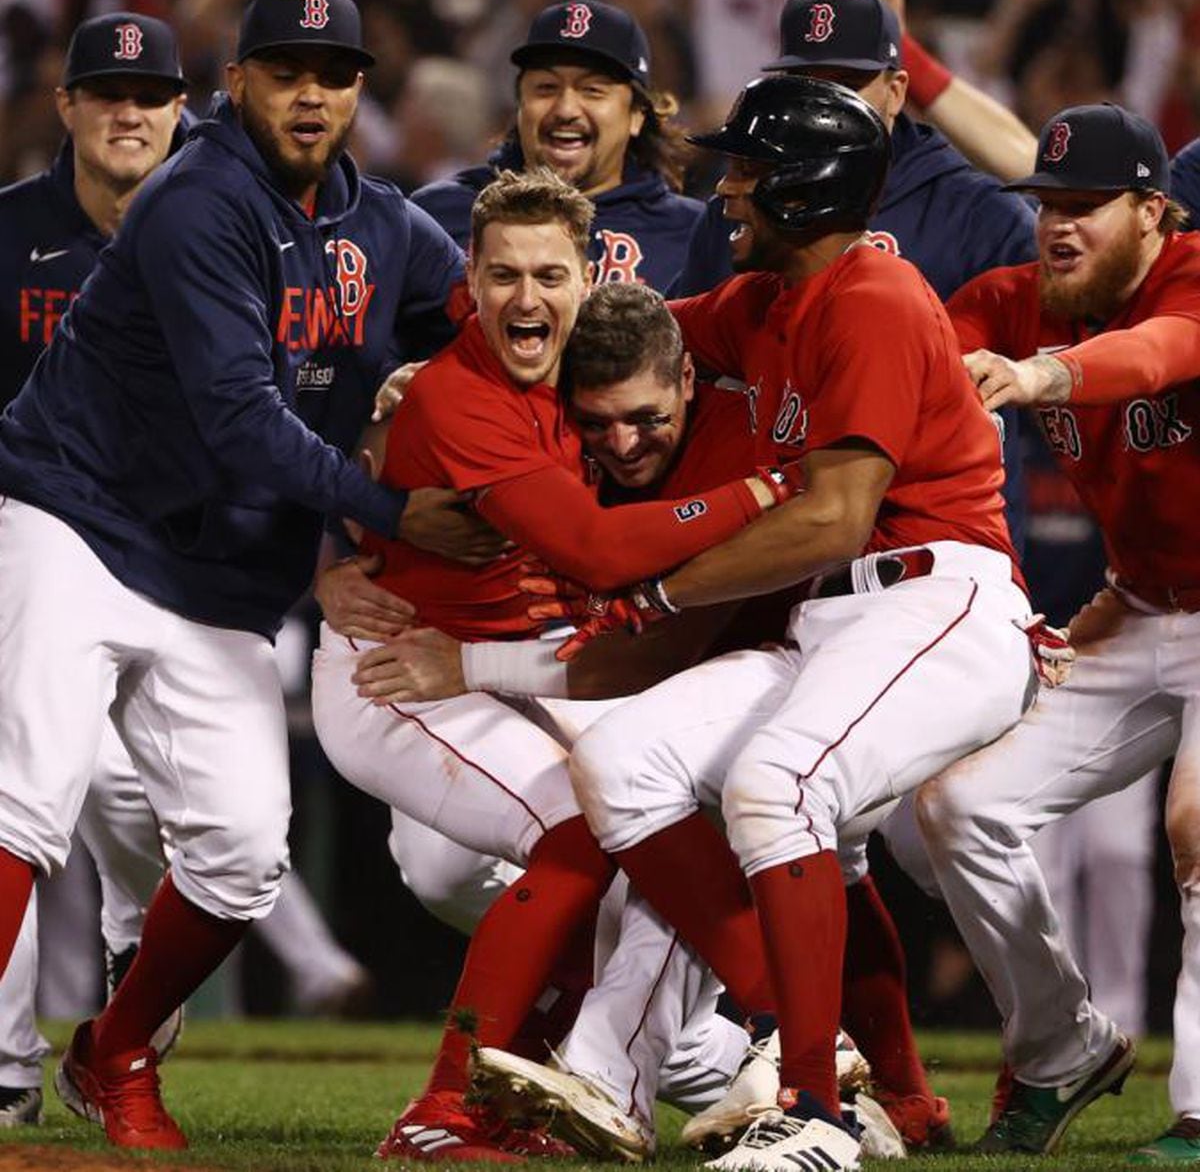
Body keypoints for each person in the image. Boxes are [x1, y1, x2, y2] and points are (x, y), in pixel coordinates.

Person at [0, 0, 469, 1150]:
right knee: (28, 792)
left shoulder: (388, 227)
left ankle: (114, 1053)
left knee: (245, 849)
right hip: (78, 515)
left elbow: (471, 335)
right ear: (240, 81)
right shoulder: (195, 197)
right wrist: (392, 512)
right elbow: (239, 418)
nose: (310, 93)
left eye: (334, 73)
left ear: (362, 89)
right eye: (284, 70)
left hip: (220, 578)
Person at [537, 74, 1036, 1172]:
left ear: (810, 191)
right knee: (621, 757)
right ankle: (840, 1065)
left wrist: (660, 593)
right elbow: (641, 336)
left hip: (938, 597)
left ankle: (812, 1111)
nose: (728, 192)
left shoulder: (874, 299)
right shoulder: (766, 302)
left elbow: (833, 518)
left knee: (776, 784)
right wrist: (469, 371)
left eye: (750, 174)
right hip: (846, 621)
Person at [310, 168, 788, 1162]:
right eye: (503, 275)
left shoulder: (585, 369)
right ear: (468, 287)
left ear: (588, 279)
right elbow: (602, 553)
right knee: (580, 828)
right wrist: (766, 491)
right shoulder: (457, 396)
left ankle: (589, 1073)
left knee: (644, 810)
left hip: (501, 659)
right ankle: (442, 1106)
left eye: (549, 275)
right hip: (401, 670)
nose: (526, 297)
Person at [916, 102, 1200, 1163]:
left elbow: (1161, 352)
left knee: (1194, 826)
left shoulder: (1191, 273)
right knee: (960, 806)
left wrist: (1037, 376)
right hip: (1140, 605)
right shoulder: (1018, 299)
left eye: (1086, 205)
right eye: (1046, 205)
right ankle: (1062, 1047)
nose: (1059, 225)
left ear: (1154, 211)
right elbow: (911, 345)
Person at [0, 9, 190, 1131]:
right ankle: (10, 1067)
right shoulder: (7, 231)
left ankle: (131, 952)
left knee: (140, 802)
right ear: (64, 106)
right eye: (107, 91)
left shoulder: (223, 233)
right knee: (21, 792)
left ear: (183, 111)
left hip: (171, 558)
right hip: (26, 539)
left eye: (152, 93)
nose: (130, 109)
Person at [675, 0, 1034, 551]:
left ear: (896, 91)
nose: (822, 105)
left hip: (928, 545)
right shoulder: (740, 200)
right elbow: (685, 357)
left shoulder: (979, 213)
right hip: (777, 538)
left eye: (847, 84)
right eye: (807, 84)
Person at [412, 0, 702, 294]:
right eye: (546, 88)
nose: (565, 110)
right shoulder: (440, 217)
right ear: (520, 105)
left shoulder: (696, 236)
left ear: (637, 115)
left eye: (592, 91)